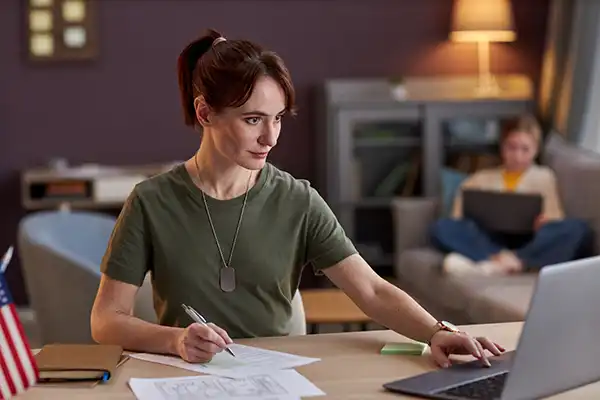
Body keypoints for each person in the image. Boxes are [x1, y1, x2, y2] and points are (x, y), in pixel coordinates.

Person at [90, 29, 503, 369]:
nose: (271, 138)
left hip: (282, 376)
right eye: (253, 120)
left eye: (278, 118)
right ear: (205, 113)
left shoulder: (298, 200)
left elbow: (372, 291)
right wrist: (176, 339)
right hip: (192, 379)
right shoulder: (150, 201)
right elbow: (106, 320)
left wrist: (438, 332)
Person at [431, 114, 590, 275]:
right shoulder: (481, 178)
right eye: (511, 147)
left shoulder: (544, 177)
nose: (517, 156)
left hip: (529, 240)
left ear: (535, 150)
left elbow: (555, 219)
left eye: (525, 149)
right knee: (441, 227)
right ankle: (500, 258)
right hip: (489, 238)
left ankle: (513, 260)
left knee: (578, 229)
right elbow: (459, 215)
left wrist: (543, 223)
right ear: (503, 147)